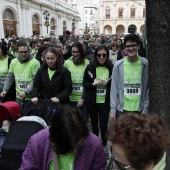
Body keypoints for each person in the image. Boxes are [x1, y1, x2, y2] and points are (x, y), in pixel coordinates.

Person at [19, 106, 107, 170]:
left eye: (80, 144)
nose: (75, 151)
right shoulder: (38, 142)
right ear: (56, 140)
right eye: (70, 147)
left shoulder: (94, 144)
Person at [83, 45, 113, 159]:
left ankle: (104, 146)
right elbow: (84, 83)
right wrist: (92, 84)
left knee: (103, 125)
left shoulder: (111, 67)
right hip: (92, 101)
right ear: (95, 56)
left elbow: (115, 83)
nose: (101, 57)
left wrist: (108, 83)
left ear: (107, 55)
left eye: (104, 55)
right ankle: (95, 146)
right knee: (94, 124)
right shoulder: (90, 67)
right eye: (99, 55)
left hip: (105, 101)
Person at [110, 33, 149, 120]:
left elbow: (148, 89)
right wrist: (113, 109)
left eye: (134, 45)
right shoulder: (118, 65)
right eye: (128, 46)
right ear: (125, 48)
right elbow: (114, 89)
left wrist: (145, 108)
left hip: (140, 110)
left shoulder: (145, 64)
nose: (131, 48)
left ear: (138, 46)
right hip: (122, 110)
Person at [0, 41, 40, 107]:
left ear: (28, 51)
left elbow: (35, 81)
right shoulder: (13, 62)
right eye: (21, 52)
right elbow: (9, 77)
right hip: (18, 97)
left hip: (32, 97)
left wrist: (26, 92)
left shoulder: (35, 63)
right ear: (17, 52)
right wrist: (5, 90)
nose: (23, 54)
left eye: (25, 52)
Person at [64, 42, 89, 122]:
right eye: (73, 52)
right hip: (70, 99)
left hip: (84, 99)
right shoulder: (67, 63)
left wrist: (82, 98)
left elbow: (88, 83)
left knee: (83, 122)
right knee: (71, 123)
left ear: (81, 51)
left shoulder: (87, 63)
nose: (75, 54)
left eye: (77, 52)